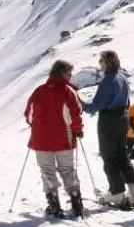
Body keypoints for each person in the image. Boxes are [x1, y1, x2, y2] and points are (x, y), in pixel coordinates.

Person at [24, 60, 88, 218]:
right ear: (62, 73)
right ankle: (76, 202)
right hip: (63, 140)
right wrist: (77, 131)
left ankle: (54, 205)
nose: (70, 76)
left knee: (47, 171)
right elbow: (76, 113)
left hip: (41, 140)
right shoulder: (68, 91)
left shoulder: (39, 91)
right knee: (67, 170)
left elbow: (29, 115)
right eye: (69, 73)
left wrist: (37, 126)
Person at [89, 50, 134, 210]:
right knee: (122, 156)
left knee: (109, 157)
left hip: (109, 120)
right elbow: (127, 100)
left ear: (108, 62)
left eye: (101, 60)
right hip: (123, 118)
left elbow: (97, 104)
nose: (99, 63)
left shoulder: (108, 80)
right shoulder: (122, 77)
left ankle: (117, 195)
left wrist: (84, 106)